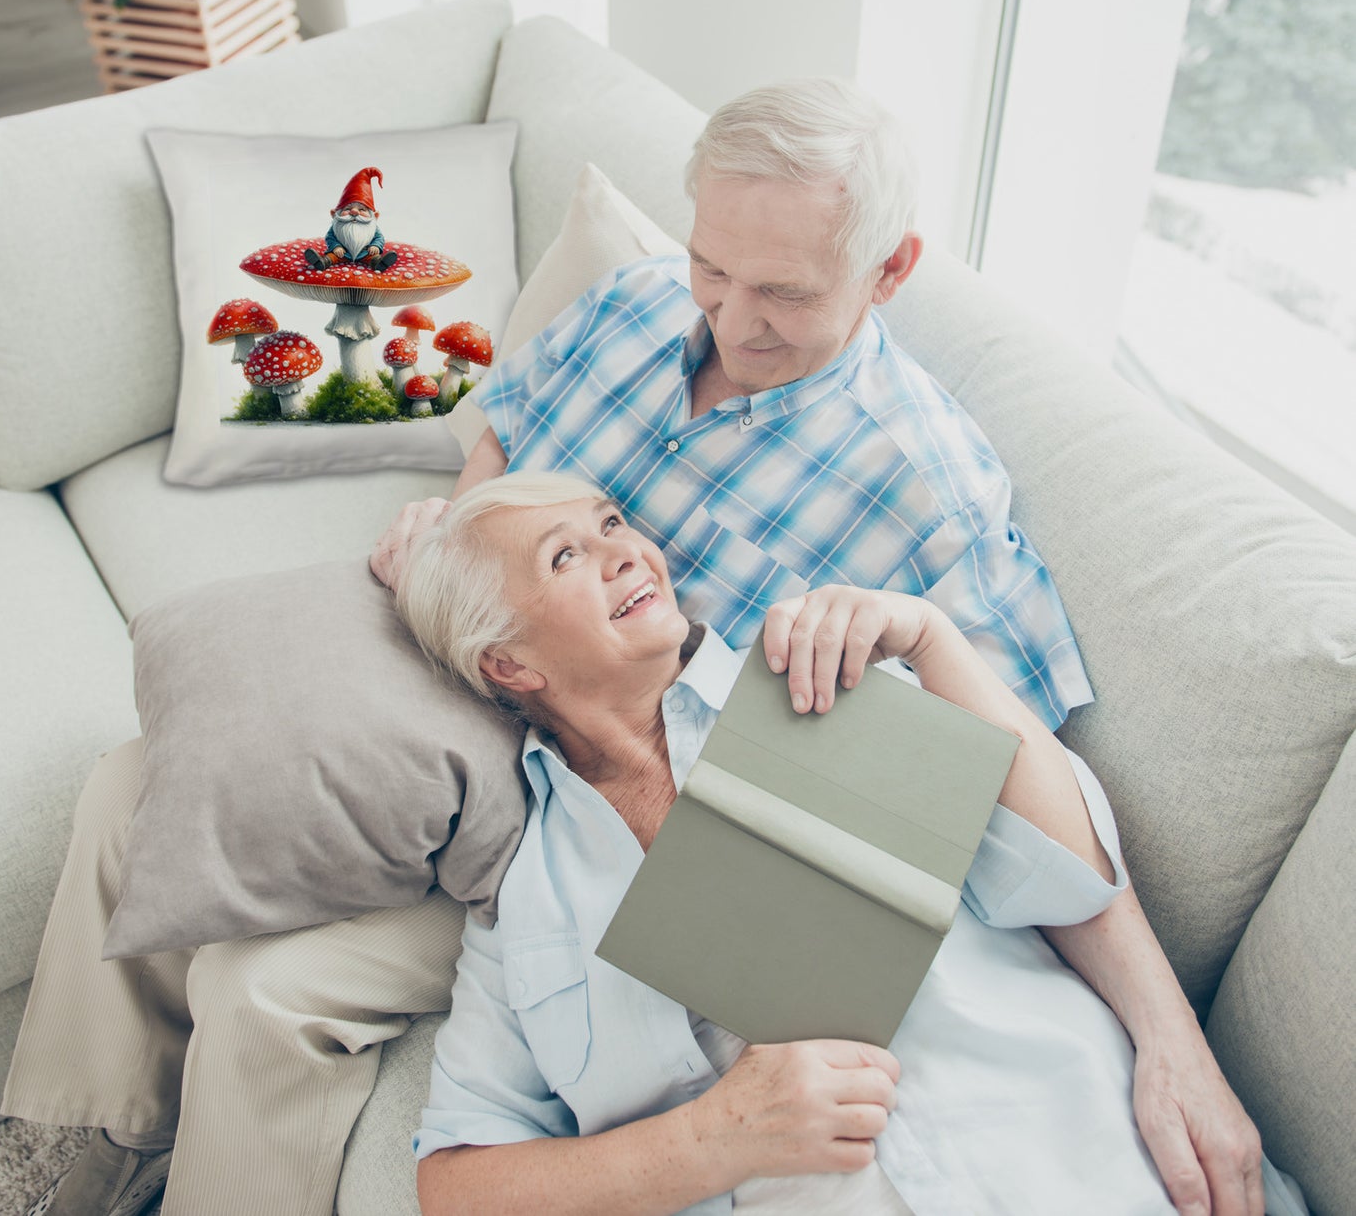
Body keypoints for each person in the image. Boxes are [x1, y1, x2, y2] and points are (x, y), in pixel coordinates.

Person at [5, 81, 1259, 1216]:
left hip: (601, 783)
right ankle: (105, 1133)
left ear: (887, 272)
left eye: (782, 291)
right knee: (140, 778)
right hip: (490, 657)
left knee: (267, 989)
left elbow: (1014, 791)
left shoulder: (927, 494)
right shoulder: (635, 303)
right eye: (715, 266)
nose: (730, 316)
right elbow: (503, 438)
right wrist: (457, 536)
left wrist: (1170, 1037)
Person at [397, 472, 1297, 1216]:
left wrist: (932, 640)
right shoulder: (526, 902)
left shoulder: (820, 679)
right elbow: (456, 1185)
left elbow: (1069, 878)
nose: (626, 550)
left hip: (1084, 1166)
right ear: (508, 664)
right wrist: (714, 1137)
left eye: (611, 523)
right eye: (566, 555)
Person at [305, 164, 399, 271]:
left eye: (362, 209)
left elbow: (379, 238)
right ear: (334, 214)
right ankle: (322, 262)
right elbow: (330, 238)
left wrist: (376, 246)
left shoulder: (373, 228)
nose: (354, 212)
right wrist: (336, 247)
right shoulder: (337, 227)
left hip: (365, 253)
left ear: (375, 216)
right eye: (348, 209)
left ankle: (379, 264)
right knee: (332, 257)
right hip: (342, 254)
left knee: (373, 258)